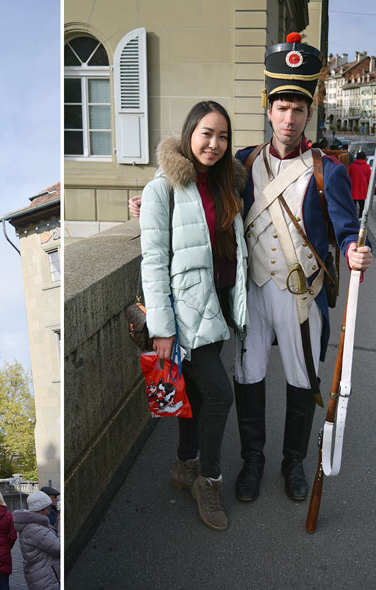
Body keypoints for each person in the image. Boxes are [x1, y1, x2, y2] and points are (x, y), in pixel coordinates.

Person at [129, 34, 373, 506]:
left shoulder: (329, 171)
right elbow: (196, 194)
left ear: (308, 114)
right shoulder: (242, 164)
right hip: (253, 295)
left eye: (298, 109)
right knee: (248, 378)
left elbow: (346, 231)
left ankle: (293, 463)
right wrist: (146, 202)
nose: (289, 117)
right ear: (268, 110)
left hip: (303, 296)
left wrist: (353, 253)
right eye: (281, 107)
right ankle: (254, 460)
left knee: (304, 383)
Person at [139, 100, 248, 531]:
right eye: (207, 133)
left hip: (218, 304)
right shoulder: (162, 187)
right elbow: (153, 260)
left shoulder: (227, 184)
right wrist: (161, 330)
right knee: (220, 394)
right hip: (185, 314)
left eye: (223, 136)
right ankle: (209, 478)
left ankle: (185, 464)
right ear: (189, 134)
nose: (215, 143)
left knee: (199, 394)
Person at [13, 492, 60, 590]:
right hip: (45, 578)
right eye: (48, 509)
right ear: (40, 509)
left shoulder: (34, 524)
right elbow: (58, 548)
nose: (49, 512)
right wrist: (60, 522)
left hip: (41, 575)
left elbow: (51, 536)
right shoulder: (35, 529)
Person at [349, 151, 371, 219]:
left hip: (353, 189)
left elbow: (348, 177)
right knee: (362, 205)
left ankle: (353, 217)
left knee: (353, 205)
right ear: (364, 158)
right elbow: (369, 179)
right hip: (362, 189)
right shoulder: (367, 167)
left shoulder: (352, 166)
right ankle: (360, 217)